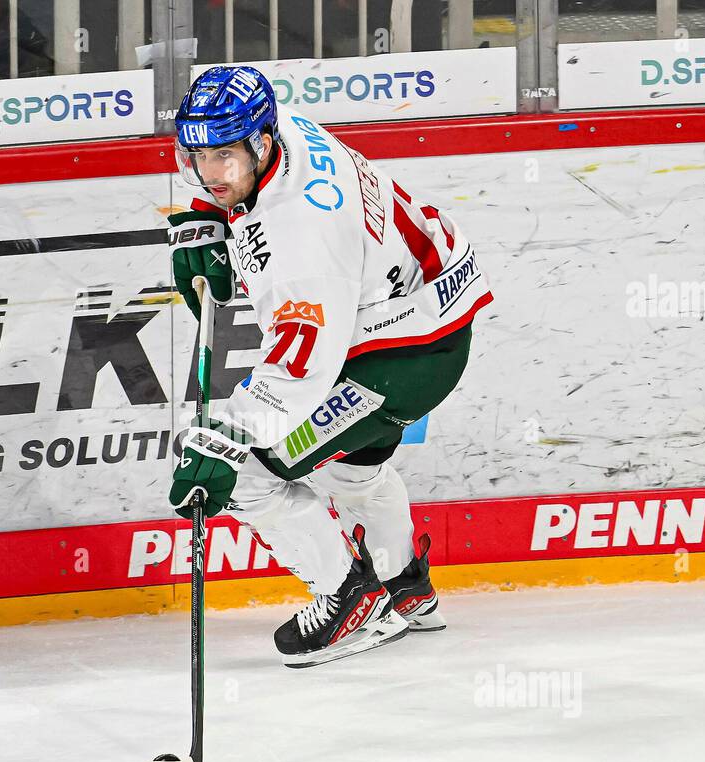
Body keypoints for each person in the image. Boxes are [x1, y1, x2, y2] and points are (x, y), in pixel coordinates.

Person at [166, 66, 494, 668]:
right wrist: (206, 217)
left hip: (397, 354)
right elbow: (228, 179)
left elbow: (299, 371)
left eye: (223, 159)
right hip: (421, 316)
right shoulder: (279, 128)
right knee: (353, 472)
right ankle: (405, 589)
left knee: (245, 472)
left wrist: (224, 439)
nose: (211, 173)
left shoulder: (303, 242)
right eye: (198, 156)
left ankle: (350, 600)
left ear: (259, 144)